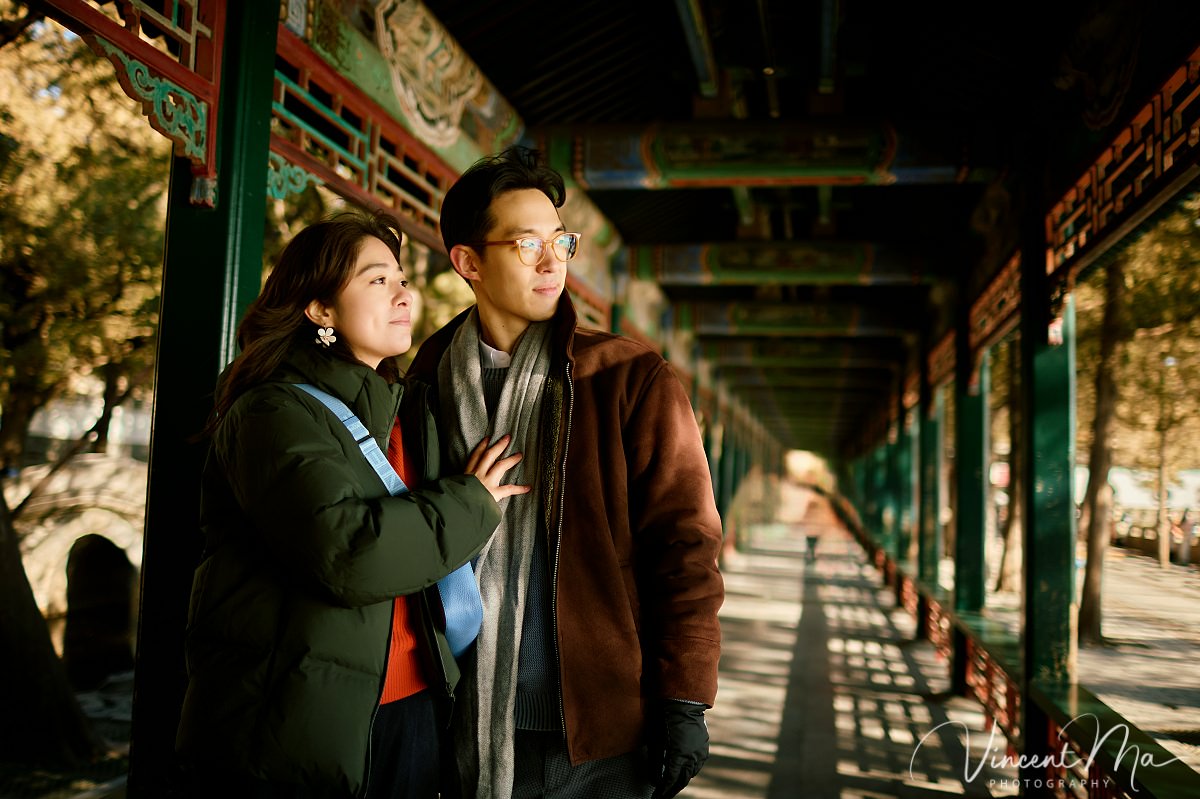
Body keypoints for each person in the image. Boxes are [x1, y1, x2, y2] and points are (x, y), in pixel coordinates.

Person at [175, 209, 529, 799]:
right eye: (377, 280)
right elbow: (350, 554)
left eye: (401, 279)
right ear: (320, 310)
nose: (402, 294)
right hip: (297, 725)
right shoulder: (272, 414)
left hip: (411, 710)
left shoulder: (408, 413)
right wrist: (471, 501)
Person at [408, 146, 725, 798]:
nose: (554, 261)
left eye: (562, 240)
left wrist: (686, 697)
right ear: (468, 262)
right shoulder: (422, 385)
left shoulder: (628, 378)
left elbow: (687, 544)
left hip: (601, 731)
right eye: (527, 245)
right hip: (458, 720)